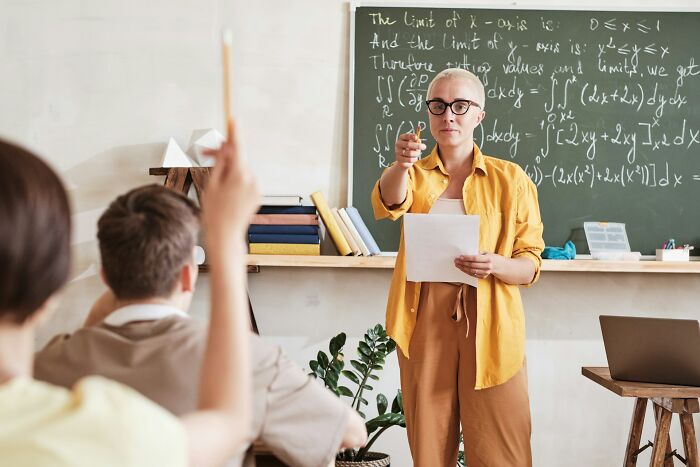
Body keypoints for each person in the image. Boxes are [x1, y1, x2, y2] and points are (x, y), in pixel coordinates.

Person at [34, 184, 367, 467]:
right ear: (187, 274)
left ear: (106, 276)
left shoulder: (46, 365)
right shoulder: (248, 360)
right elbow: (352, 434)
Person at [0, 128, 256, 467]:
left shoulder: (57, 365)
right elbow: (228, 422)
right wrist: (226, 237)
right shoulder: (103, 433)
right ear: (53, 287)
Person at [371, 68, 545, 467]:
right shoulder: (412, 171)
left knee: (504, 447)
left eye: (460, 106)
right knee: (430, 446)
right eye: (438, 106)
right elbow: (389, 203)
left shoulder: (511, 178)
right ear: (429, 114)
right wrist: (400, 165)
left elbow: (530, 265)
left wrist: (496, 264)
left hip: (492, 319)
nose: (448, 115)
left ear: (479, 115)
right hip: (425, 317)